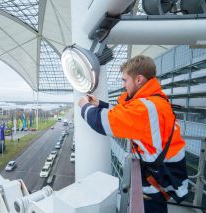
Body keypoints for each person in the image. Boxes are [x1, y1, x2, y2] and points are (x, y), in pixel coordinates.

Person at [78, 55, 188, 213]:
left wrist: (85, 106)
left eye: (125, 80)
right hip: (165, 175)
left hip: (155, 185)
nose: (123, 85)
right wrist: (100, 104)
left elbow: (102, 122)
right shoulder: (154, 100)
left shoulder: (145, 108)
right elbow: (127, 114)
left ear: (139, 80)